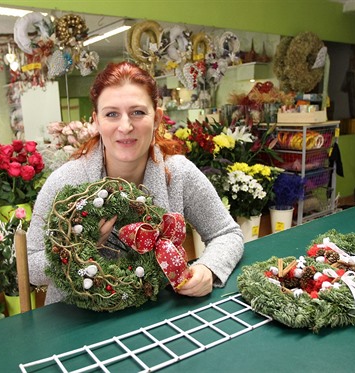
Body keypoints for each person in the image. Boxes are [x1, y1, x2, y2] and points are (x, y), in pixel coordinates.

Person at [27, 61, 244, 305]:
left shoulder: (178, 173)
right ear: (96, 121)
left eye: (138, 112)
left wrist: (208, 268)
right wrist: (82, 245)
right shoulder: (64, 183)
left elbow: (227, 233)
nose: (125, 126)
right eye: (112, 114)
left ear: (157, 118)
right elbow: (29, 267)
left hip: (158, 314)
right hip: (77, 322)